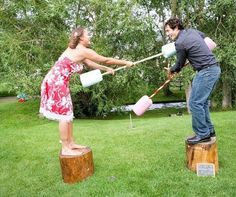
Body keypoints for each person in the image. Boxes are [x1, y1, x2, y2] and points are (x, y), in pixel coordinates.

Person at [39, 27, 133, 155]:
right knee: (64, 116)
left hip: (57, 81)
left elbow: (90, 64)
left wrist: (106, 69)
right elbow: (105, 59)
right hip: (56, 82)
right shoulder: (82, 50)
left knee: (68, 113)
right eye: (88, 35)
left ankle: (71, 143)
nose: (90, 37)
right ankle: (65, 148)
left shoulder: (77, 50)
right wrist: (125, 62)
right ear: (81, 37)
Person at [164, 17, 221, 144]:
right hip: (214, 69)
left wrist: (171, 70)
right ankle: (209, 131)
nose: (168, 34)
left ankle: (202, 134)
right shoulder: (192, 32)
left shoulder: (179, 43)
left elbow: (179, 64)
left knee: (195, 103)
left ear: (176, 27)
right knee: (203, 103)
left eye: (168, 31)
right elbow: (207, 40)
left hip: (206, 71)